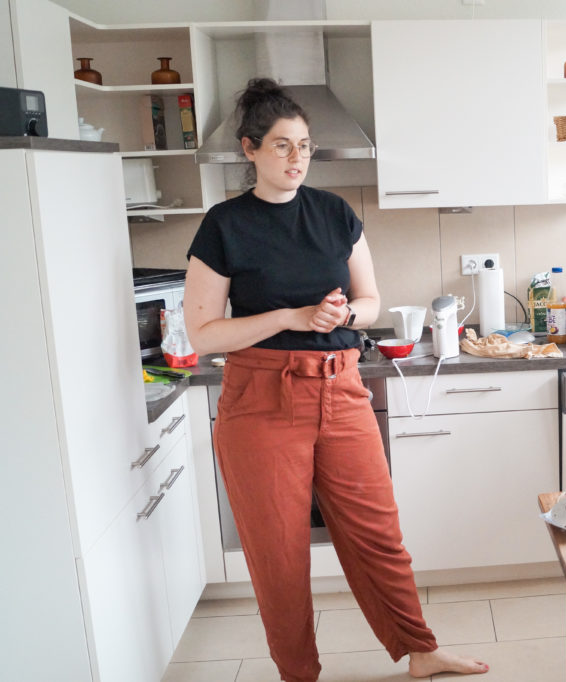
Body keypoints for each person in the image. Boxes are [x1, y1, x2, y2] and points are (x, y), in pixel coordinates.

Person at [183, 78, 488, 682]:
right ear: (249, 150)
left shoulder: (335, 214)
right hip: (262, 400)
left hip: (342, 389)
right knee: (279, 556)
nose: (296, 158)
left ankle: (419, 651)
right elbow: (205, 335)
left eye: (304, 145)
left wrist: (343, 314)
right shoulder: (224, 226)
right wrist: (291, 318)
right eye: (280, 146)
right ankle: (299, 673)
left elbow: (370, 301)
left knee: (378, 535)